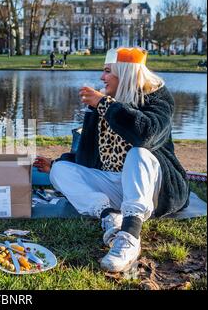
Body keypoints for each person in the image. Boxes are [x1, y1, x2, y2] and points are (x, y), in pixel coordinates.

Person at [34, 47, 190, 272]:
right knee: (60, 171)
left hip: (151, 189)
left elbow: (145, 134)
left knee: (139, 153)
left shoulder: (157, 97)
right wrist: (58, 162)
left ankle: (129, 236)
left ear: (124, 73)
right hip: (115, 186)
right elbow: (87, 156)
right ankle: (110, 217)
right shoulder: (102, 102)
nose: (101, 77)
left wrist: (104, 104)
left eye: (107, 71)